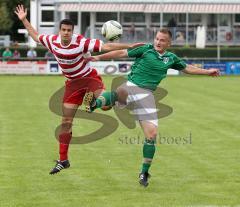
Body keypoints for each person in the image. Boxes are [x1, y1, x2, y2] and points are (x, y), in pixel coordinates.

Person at [15, 4, 143, 175]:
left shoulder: (81, 42)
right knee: (66, 123)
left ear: (73, 31)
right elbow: (36, 36)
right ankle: (63, 160)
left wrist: (131, 46)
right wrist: (24, 19)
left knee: (105, 106)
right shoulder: (52, 41)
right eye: (64, 30)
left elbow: (105, 46)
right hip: (72, 85)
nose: (66, 32)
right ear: (59, 31)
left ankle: (115, 97)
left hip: (89, 79)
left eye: (69, 30)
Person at [83, 28, 220, 187]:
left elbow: (188, 68)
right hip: (132, 86)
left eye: (162, 40)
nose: (158, 42)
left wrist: (207, 71)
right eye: (157, 39)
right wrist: (98, 57)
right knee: (122, 91)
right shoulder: (146, 49)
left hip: (147, 96)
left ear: (169, 43)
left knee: (152, 135)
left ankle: (144, 172)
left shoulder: (171, 58)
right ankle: (94, 103)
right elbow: (121, 53)